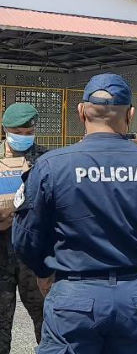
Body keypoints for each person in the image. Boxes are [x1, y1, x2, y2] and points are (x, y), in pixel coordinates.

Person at [12, 73, 137, 353]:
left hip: (73, 295)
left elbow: (26, 236)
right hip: (133, 294)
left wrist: (44, 271)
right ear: (130, 115)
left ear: (81, 111)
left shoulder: (51, 167)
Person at [0, 103, 47, 352]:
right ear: (6, 130)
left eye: (29, 133)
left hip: (33, 254)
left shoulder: (45, 160)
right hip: (1, 252)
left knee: (45, 317)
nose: (24, 138)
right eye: (19, 132)